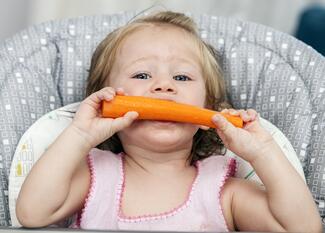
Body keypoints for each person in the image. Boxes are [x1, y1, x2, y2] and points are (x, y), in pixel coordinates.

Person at [16, 11, 322, 232]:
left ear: (209, 113)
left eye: (181, 76)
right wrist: (81, 133)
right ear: (107, 103)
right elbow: (33, 213)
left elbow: (304, 229)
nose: (164, 86)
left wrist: (263, 150)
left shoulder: (223, 192)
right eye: (142, 75)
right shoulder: (95, 177)